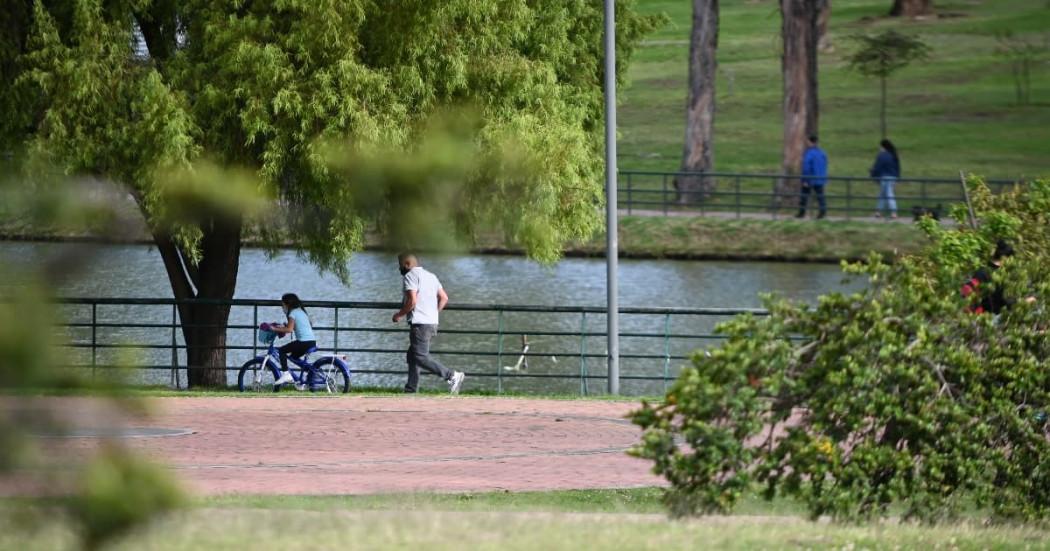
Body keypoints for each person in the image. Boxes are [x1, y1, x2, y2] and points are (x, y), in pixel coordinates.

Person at [392, 253, 465, 394]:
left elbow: (412, 301)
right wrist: (433, 314)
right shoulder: (431, 276)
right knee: (412, 355)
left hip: (420, 324)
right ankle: (411, 390)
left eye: (400, 265)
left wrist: (398, 315)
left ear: (407, 264)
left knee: (421, 357)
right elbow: (444, 298)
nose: (399, 268)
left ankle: (452, 376)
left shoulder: (410, 276)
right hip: (431, 322)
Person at [960, 240, 1036, 315]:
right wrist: (1025, 301)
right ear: (1006, 259)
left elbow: (966, 291)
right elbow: (1006, 302)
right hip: (995, 316)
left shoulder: (981, 272)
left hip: (980, 316)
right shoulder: (1002, 276)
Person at [271, 293, 316, 387]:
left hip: (303, 342)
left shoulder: (292, 313)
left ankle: (286, 374)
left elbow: (289, 329)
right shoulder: (301, 311)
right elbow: (295, 326)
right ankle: (311, 372)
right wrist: (284, 326)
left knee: (281, 351)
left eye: (282, 305)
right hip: (311, 342)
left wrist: (274, 329)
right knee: (293, 357)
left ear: (288, 304)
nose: (282, 307)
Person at [796, 134, 829, 219]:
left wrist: (805, 180)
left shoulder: (809, 153)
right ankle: (822, 211)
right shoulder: (822, 153)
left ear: (809, 142)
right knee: (820, 196)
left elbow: (806, 167)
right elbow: (825, 164)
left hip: (810, 179)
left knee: (804, 195)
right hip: (820, 178)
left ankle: (802, 212)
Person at [870, 139, 901, 219]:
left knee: (887, 194)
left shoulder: (882, 155)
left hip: (884, 177)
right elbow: (897, 168)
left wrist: (872, 174)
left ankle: (892, 212)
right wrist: (897, 178)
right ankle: (879, 212)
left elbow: (877, 167)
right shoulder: (893, 155)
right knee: (883, 194)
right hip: (893, 177)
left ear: (883, 146)